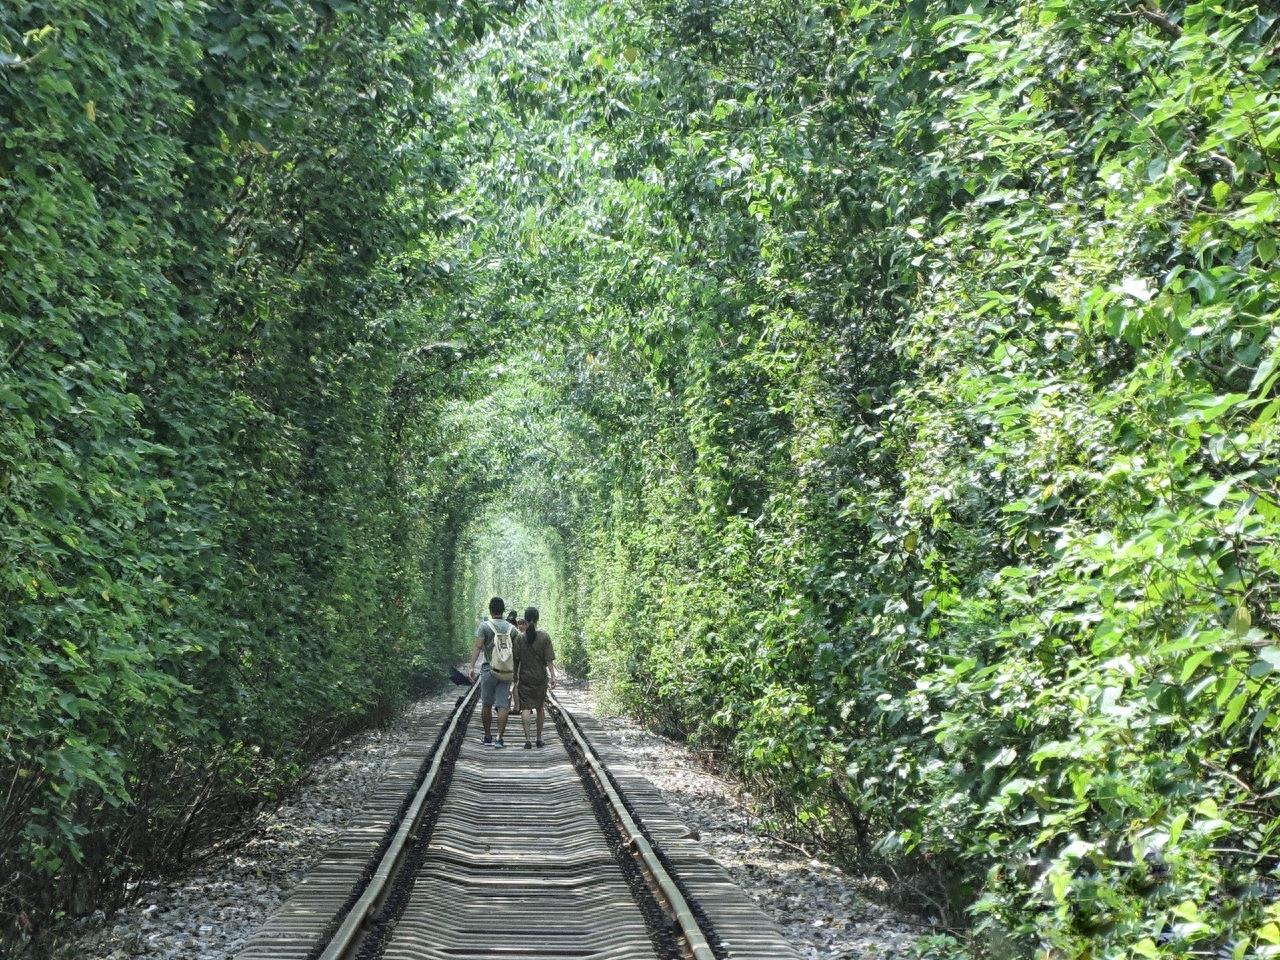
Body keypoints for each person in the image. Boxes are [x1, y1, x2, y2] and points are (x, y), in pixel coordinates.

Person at [468, 596, 518, 747]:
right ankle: (499, 739)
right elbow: (516, 652)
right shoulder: (512, 629)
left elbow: (477, 647)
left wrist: (471, 667)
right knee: (503, 705)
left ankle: (488, 736)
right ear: (503, 610)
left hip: (488, 670)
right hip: (506, 671)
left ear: (490, 610)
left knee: (487, 704)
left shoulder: (484, 626)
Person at [513, 606, 556, 749]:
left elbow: (516, 660)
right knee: (539, 707)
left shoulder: (520, 638)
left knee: (525, 708)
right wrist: (553, 677)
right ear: (537, 618)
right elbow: (549, 660)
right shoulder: (544, 636)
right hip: (540, 677)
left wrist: (514, 678)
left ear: (525, 619)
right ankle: (539, 738)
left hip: (525, 677)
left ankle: (527, 740)